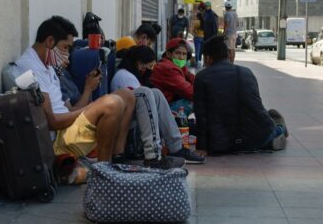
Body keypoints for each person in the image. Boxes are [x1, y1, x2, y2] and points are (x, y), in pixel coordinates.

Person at [15, 16, 135, 164]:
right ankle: (104, 170)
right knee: (112, 103)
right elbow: (52, 122)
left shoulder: (48, 67)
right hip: (60, 139)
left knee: (127, 95)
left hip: (68, 127)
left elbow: (70, 110)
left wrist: (88, 89)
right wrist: (94, 107)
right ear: (50, 42)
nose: (67, 54)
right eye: (65, 47)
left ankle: (118, 156)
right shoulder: (31, 67)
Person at [193, 36, 288, 157]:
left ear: (207, 58)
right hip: (257, 138)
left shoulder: (202, 77)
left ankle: (276, 127)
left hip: (221, 145)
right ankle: (279, 129)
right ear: (228, 55)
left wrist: (202, 147)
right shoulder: (246, 72)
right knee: (270, 124)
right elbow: (255, 106)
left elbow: (201, 116)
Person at [111, 45, 206, 164]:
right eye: (150, 66)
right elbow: (140, 102)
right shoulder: (124, 76)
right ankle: (153, 155)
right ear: (140, 64)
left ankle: (176, 148)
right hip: (125, 122)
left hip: (133, 120)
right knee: (145, 93)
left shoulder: (132, 76)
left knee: (156, 93)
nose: (151, 70)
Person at [150, 38, 195, 115]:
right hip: (164, 108)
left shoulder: (178, 66)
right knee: (197, 101)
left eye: (184, 54)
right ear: (168, 54)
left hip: (168, 103)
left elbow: (194, 79)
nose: (181, 57)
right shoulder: (168, 68)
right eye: (178, 53)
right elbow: (188, 91)